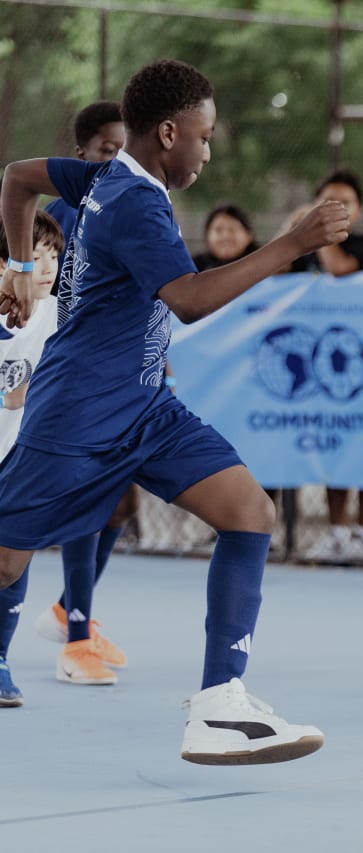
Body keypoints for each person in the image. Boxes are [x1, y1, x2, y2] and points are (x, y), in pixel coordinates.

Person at [0, 58, 349, 762]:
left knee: (250, 510)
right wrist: (290, 244)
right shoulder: (131, 200)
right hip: (79, 410)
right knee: (7, 558)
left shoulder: (106, 178)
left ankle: (220, 704)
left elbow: (16, 176)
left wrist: (17, 267)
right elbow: (186, 299)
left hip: (145, 407)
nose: (209, 150)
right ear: (168, 132)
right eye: (205, 135)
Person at [34, 100, 133, 675]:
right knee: (87, 496)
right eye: (105, 152)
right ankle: (75, 639)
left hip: (118, 376)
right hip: (64, 378)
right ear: (81, 156)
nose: (115, 162)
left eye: (124, 152)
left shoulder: (135, 205)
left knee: (122, 499)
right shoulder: (57, 219)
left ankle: (71, 607)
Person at [295, 168, 363, 561]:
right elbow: (277, 275)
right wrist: (295, 232)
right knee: (332, 445)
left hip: (359, 359)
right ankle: (337, 531)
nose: (335, 208)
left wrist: (323, 237)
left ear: (359, 211)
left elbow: (340, 269)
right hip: (314, 363)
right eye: (326, 200)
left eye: (344, 202)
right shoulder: (298, 245)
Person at [0, 211, 64, 704]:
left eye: (53, 256)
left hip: (18, 456)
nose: (46, 267)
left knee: (15, 559)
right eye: (32, 256)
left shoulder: (59, 314)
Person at [191, 204, 258, 271]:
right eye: (218, 230)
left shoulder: (262, 268)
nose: (226, 236)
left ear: (249, 235)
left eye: (232, 229)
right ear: (207, 235)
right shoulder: (192, 269)